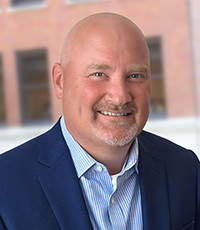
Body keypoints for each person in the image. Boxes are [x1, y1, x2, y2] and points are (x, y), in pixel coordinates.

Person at [0, 12, 199, 230]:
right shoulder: (5, 185)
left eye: (135, 76)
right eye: (98, 74)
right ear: (59, 82)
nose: (120, 96)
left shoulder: (187, 169)